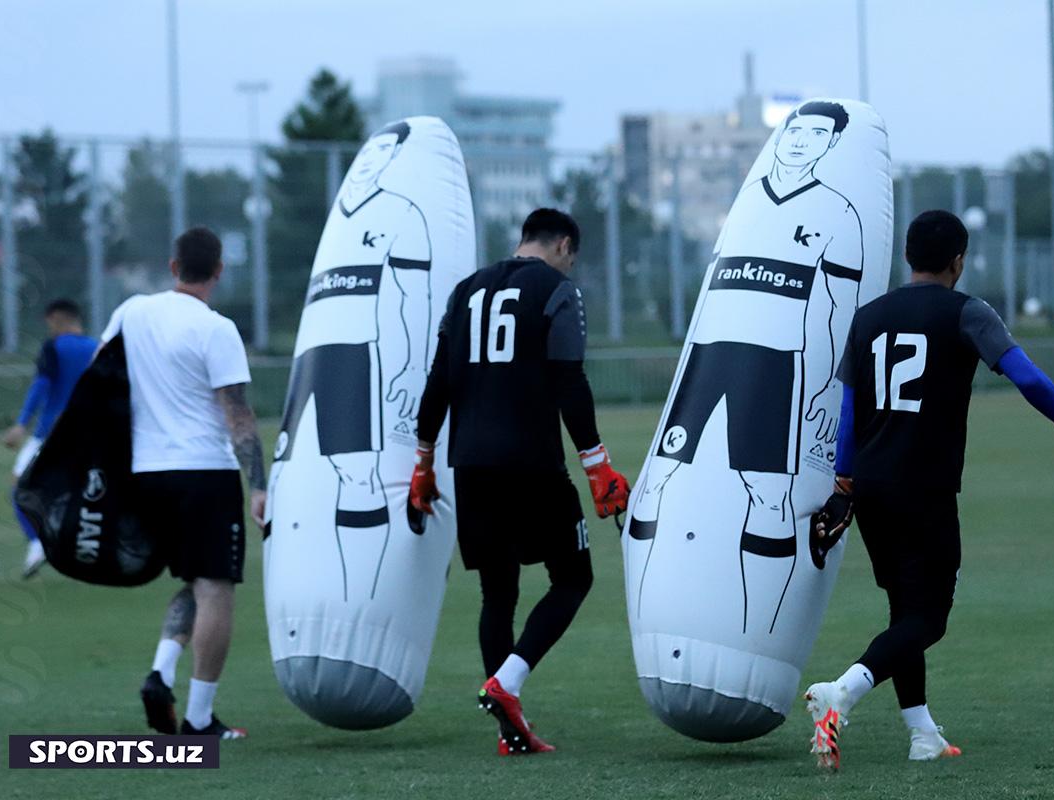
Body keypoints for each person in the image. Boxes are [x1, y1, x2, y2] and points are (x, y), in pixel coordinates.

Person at [803, 210, 1054, 769]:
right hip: (925, 487)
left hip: (871, 486)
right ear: (959, 261)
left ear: (907, 256)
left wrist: (844, 485)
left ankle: (923, 734)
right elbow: (1026, 376)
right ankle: (842, 693)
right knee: (930, 618)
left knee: (905, 611)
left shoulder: (867, 318)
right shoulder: (968, 311)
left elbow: (849, 411)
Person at [625, 101, 862, 632]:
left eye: (816, 133)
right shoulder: (747, 202)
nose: (800, 140)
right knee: (660, 479)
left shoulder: (837, 210)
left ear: (829, 144)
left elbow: (837, 310)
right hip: (710, 356)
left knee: (769, 492)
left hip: (775, 364)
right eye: (795, 130)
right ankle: (650, 615)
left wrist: (824, 384)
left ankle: (759, 629)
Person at [409, 208, 630, 755]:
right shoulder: (558, 290)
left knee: (497, 592)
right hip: (532, 463)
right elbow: (569, 379)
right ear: (564, 245)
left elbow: (439, 381)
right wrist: (598, 465)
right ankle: (506, 685)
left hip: (470, 465)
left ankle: (510, 731)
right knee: (573, 578)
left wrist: (423, 462)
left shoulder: (465, 291)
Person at [100, 227, 267, 740]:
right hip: (203, 472)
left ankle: (161, 671)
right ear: (219, 271)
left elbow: (99, 380)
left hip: (145, 473)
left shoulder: (131, 312)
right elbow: (237, 414)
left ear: (173, 267)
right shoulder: (216, 328)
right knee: (216, 587)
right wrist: (259, 485)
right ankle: (198, 719)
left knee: (194, 581)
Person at [270, 120, 432, 601]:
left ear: (391, 160)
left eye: (385, 152)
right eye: (371, 151)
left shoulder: (401, 212)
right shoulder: (336, 221)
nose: (372, 160)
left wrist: (411, 366)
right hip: (310, 359)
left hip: (353, 356)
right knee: (288, 476)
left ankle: (359, 599)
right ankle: (305, 594)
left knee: (358, 473)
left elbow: (416, 295)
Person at [2, 299, 98, 577]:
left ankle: (37, 544)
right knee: (81, 493)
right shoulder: (97, 348)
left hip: (50, 433)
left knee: (20, 488)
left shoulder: (53, 347)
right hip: (89, 434)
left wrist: (21, 424)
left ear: (56, 317)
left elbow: (42, 384)